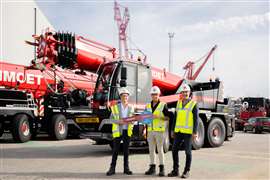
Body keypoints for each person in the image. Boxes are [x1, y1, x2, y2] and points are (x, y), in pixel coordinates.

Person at [168, 84, 198, 178]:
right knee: (174, 150)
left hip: (188, 132)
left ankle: (186, 171)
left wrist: (195, 132)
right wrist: (172, 130)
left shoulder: (193, 104)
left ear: (189, 93)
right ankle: (175, 170)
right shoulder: (178, 103)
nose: (185, 93)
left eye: (186, 92)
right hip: (179, 131)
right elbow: (175, 118)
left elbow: (196, 119)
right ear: (181, 93)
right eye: (183, 92)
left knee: (188, 152)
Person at [106, 87, 134, 176]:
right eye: (123, 96)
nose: (125, 97)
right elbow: (111, 120)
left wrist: (132, 120)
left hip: (127, 131)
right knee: (115, 150)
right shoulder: (115, 108)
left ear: (128, 97)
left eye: (126, 96)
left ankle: (126, 168)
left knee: (126, 151)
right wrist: (119, 122)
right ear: (120, 97)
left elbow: (133, 119)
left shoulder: (131, 108)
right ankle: (112, 168)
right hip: (118, 131)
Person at [144, 86, 170, 176]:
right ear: (151, 95)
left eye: (156, 94)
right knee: (151, 150)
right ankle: (152, 168)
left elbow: (167, 118)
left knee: (160, 149)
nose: (155, 96)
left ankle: (162, 169)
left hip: (159, 131)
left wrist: (159, 117)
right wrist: (145, 128)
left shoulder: (163, 105)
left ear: (159, 95)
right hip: (150, 131)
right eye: (153, 94)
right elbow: (145, 119)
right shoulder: (147, 106)